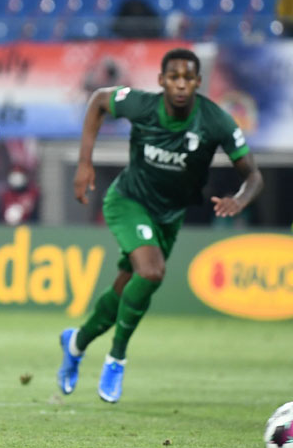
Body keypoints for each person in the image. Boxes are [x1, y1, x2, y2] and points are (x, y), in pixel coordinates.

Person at [57, 48, 263, 403]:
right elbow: (97, 101)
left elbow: (254, 176)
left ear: (198, 82)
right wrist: (84, 164)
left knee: (126, 287)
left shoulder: (216, 121)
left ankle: (75, 344)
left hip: (169, 215)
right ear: (161, 81)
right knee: (152, 272)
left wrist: (240, 200)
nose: (181, 85)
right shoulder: (143, 106)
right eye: (174, 77)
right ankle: (116, 359)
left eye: (188, 78)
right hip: (128, 201)